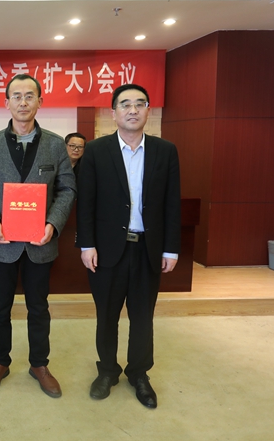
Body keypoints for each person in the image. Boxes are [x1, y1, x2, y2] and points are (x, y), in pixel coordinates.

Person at [0, 74, 75, 398]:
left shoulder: (55, 144)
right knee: (0, 308)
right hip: (1, 244)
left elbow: (67, 189)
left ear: (40, 101)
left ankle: (39, 364)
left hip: (40, 244)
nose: (23, 102)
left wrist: (53, 224)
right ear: (7, 103)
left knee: (38, 308)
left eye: (30, 96)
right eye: (16, 96)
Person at [75, 83, 181, 409]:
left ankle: (139, 373)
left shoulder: (165, 151)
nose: (132, 110)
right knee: (107, 316)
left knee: (142, 317)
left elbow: (171, 203)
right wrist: (87, 245)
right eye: (125, 104)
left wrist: (170, 249)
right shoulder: (96, 151)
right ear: (114, 113)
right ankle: (107, 370)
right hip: (108, 250)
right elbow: (86, 203)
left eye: (139, 103)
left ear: (148, 110)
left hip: (148, 249)